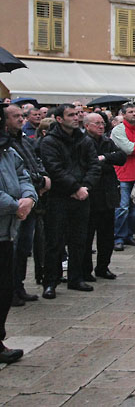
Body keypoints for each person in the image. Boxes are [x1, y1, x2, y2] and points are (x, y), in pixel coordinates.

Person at [39, 104, 101, 299]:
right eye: (71, 115)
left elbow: (94, 166)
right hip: (59, 196)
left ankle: (76, 277)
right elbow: (54, 168)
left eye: (77, 114)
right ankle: (50, 281)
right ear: (59, 119)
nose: (76, 118)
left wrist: (85, 187)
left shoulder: (84, 140)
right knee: (54, 242)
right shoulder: (49, 141)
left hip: (82, 195)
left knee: (79, 240)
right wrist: (75, 187)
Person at [0, 114, 37, 365]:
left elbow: (23, 174)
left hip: (7, 230)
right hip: (8, 217)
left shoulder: (6, 150)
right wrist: (15, 205)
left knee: (4, 288)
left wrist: (29, 198)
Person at [4, 105, 49, 306]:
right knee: (11, 250)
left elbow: (30, 165)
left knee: (23, 248)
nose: (21, 119)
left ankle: (18, 286)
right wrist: (18, 202)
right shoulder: (7, 143)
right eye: (16, 116)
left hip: (28, 200)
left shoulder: (21, 140)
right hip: (11, 207)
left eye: (22, 116)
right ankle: (9, 289)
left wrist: (38, 184)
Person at [83, 113, 126, 281]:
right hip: (91, 194)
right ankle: (85, 270)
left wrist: (104, 158)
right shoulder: (83, 142)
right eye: (97, 124)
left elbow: (121, 157)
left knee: (106, 236)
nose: (101, 126)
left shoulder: (107, 141)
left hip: (108, 194)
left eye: (103, 123)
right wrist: (103, 161)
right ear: (87, 126)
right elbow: (88, 163)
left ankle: (103, 267)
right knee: (87, 237)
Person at [110, 104, 135, 252]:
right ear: (123, 114)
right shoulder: (118, 130)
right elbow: (126, 148)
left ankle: (128, 234)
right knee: (122, 208)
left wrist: (134, 148)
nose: (134, 114)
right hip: (122, 174)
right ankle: (118, 237)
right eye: (130, 112)